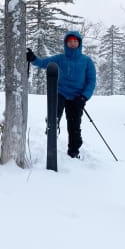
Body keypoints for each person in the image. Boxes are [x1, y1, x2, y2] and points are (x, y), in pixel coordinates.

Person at [26, 30, 96, 159]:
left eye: (75, 41)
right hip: (61, 93)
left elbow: (91, 81)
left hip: (77, 97)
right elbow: (43, 63)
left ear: (79, 43)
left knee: (74, 126)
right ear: (66, 43)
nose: (73, 44)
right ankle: (52, 123)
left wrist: (84, 97)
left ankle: (74, 152)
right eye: (70, 42)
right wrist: (33, 58)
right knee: (55, 114)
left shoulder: (86, 61)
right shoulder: (60, 58)